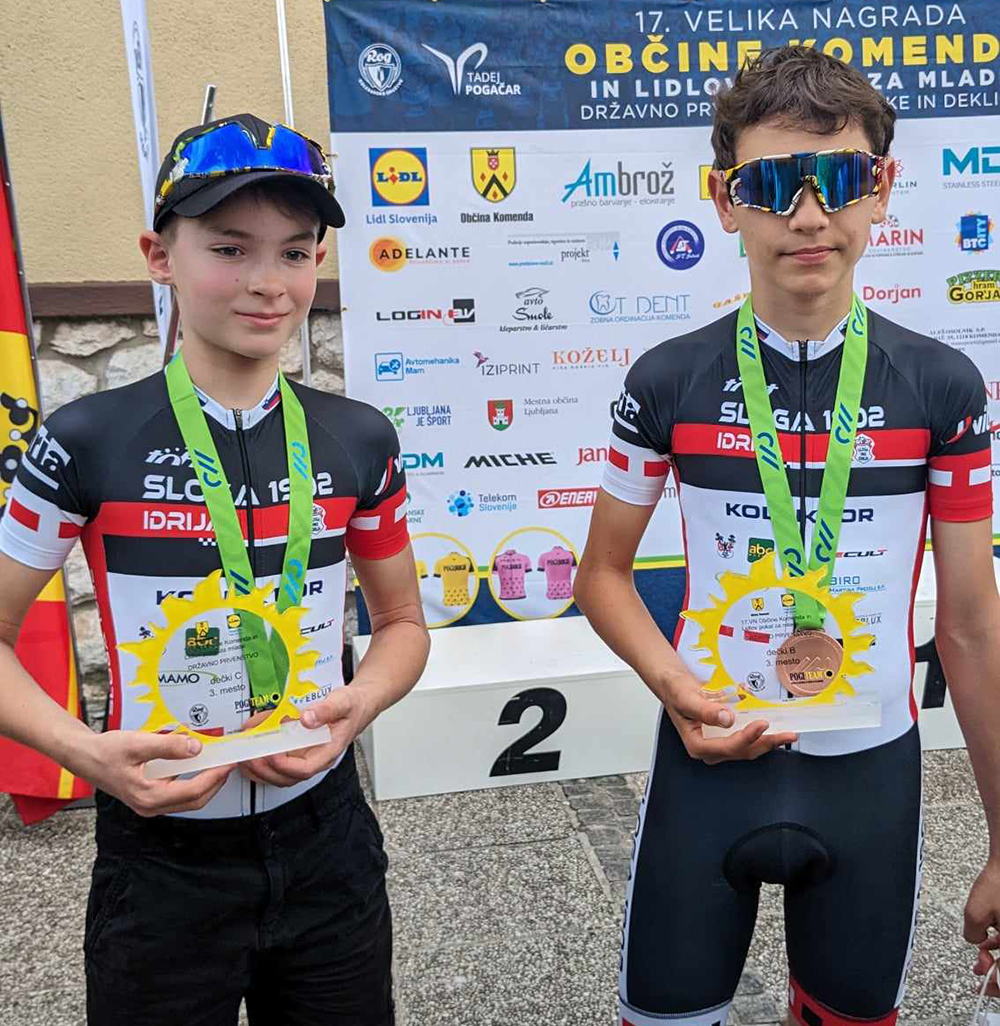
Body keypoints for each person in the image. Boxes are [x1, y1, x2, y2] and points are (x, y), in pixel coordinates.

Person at [574, 46, 1000, 1025]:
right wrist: (677, 691)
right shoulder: (667, 379)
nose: (808, 215)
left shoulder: (941, 387)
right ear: (724, 201)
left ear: (881, 189)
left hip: (870, 776)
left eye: (839, 180)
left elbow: (972, 626)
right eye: (771, 185)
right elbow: (602, 574)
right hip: (709, 761)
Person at [0, 113, 429, 1025]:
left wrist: (358, 707)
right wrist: (87, 756)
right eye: (230, 249)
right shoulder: (86, 440)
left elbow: (401, 626)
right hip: (162, 863)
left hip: (327, 845)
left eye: (295, 252)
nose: (268, 282)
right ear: (159, 256)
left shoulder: (358, 438)